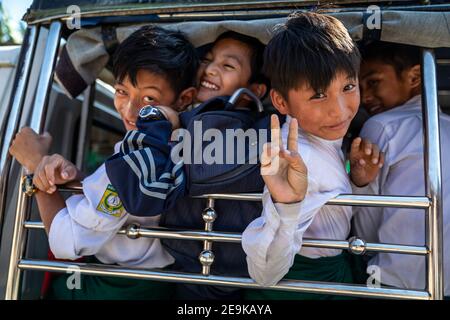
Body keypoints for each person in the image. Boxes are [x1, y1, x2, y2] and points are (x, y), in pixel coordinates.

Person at [9, 25, 199, 299]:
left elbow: (67, 241)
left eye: (149, 98)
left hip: (117, 287)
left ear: (184, 99)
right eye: (122, 91)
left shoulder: (137, 155)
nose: (131, 110)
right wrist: (78, 179)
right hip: (157, 283)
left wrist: (35, 161)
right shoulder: (184, 145)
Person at [104, 31, 271, 299]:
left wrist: (159, 122)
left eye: (228, 66)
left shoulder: (252, 133)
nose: (211, 69)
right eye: (207, 60)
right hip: (185, 271)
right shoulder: (184, 122)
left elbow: (142, 194)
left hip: (232, 274)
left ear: (255, 91)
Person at [241, 12, 384, 300]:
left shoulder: (322, 140)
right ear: (281, 101)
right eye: (319, 95)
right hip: (304, 286)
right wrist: (287, 204)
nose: (340, 110)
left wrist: (358, 181)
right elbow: (265, 272)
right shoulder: (298, 155)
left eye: (348, 87)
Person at [353, 41, 450, 296]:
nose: (365, 97)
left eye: (373, 82)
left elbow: (366, 225)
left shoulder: (382, 127)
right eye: (359, 87)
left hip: (393, 280)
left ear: (415, 77)